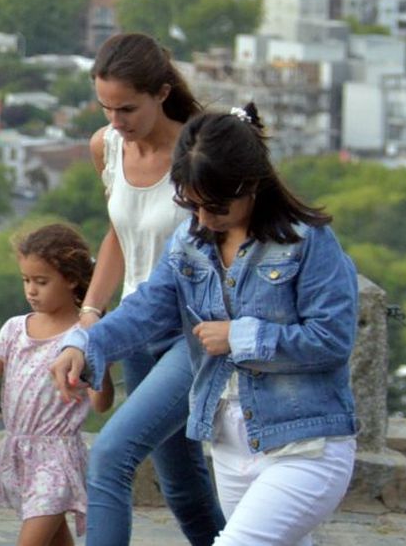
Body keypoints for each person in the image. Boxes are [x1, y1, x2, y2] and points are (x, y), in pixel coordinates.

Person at [52, 104, 358, 546]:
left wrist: (241, 336)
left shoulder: (308, 241)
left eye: (213, 207)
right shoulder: (190, 243)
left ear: (250, 185)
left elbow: (332, 340)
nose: (200, 220)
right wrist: (84, 343)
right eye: (190, 205)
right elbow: (146, 310)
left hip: (306, 445)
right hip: (232, 448)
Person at [77, 32, 224, 546]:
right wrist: (92, 315)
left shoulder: (200, 153)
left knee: (111, 455)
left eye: (127, 108)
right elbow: (121, 233)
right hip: (137, 327)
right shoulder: (106, 146)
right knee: (181, 487)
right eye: (106, 107)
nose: (116, 121)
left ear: (162, 93)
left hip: (194, 332)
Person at [0, 224, 114, 546]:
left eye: (41, 282)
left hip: (57, 457)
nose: (31, 290)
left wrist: (99, 359)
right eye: (26, 281)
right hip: (20, 450)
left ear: (71, 279)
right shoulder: (15, 329)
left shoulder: (84, 336)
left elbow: (101, 405)